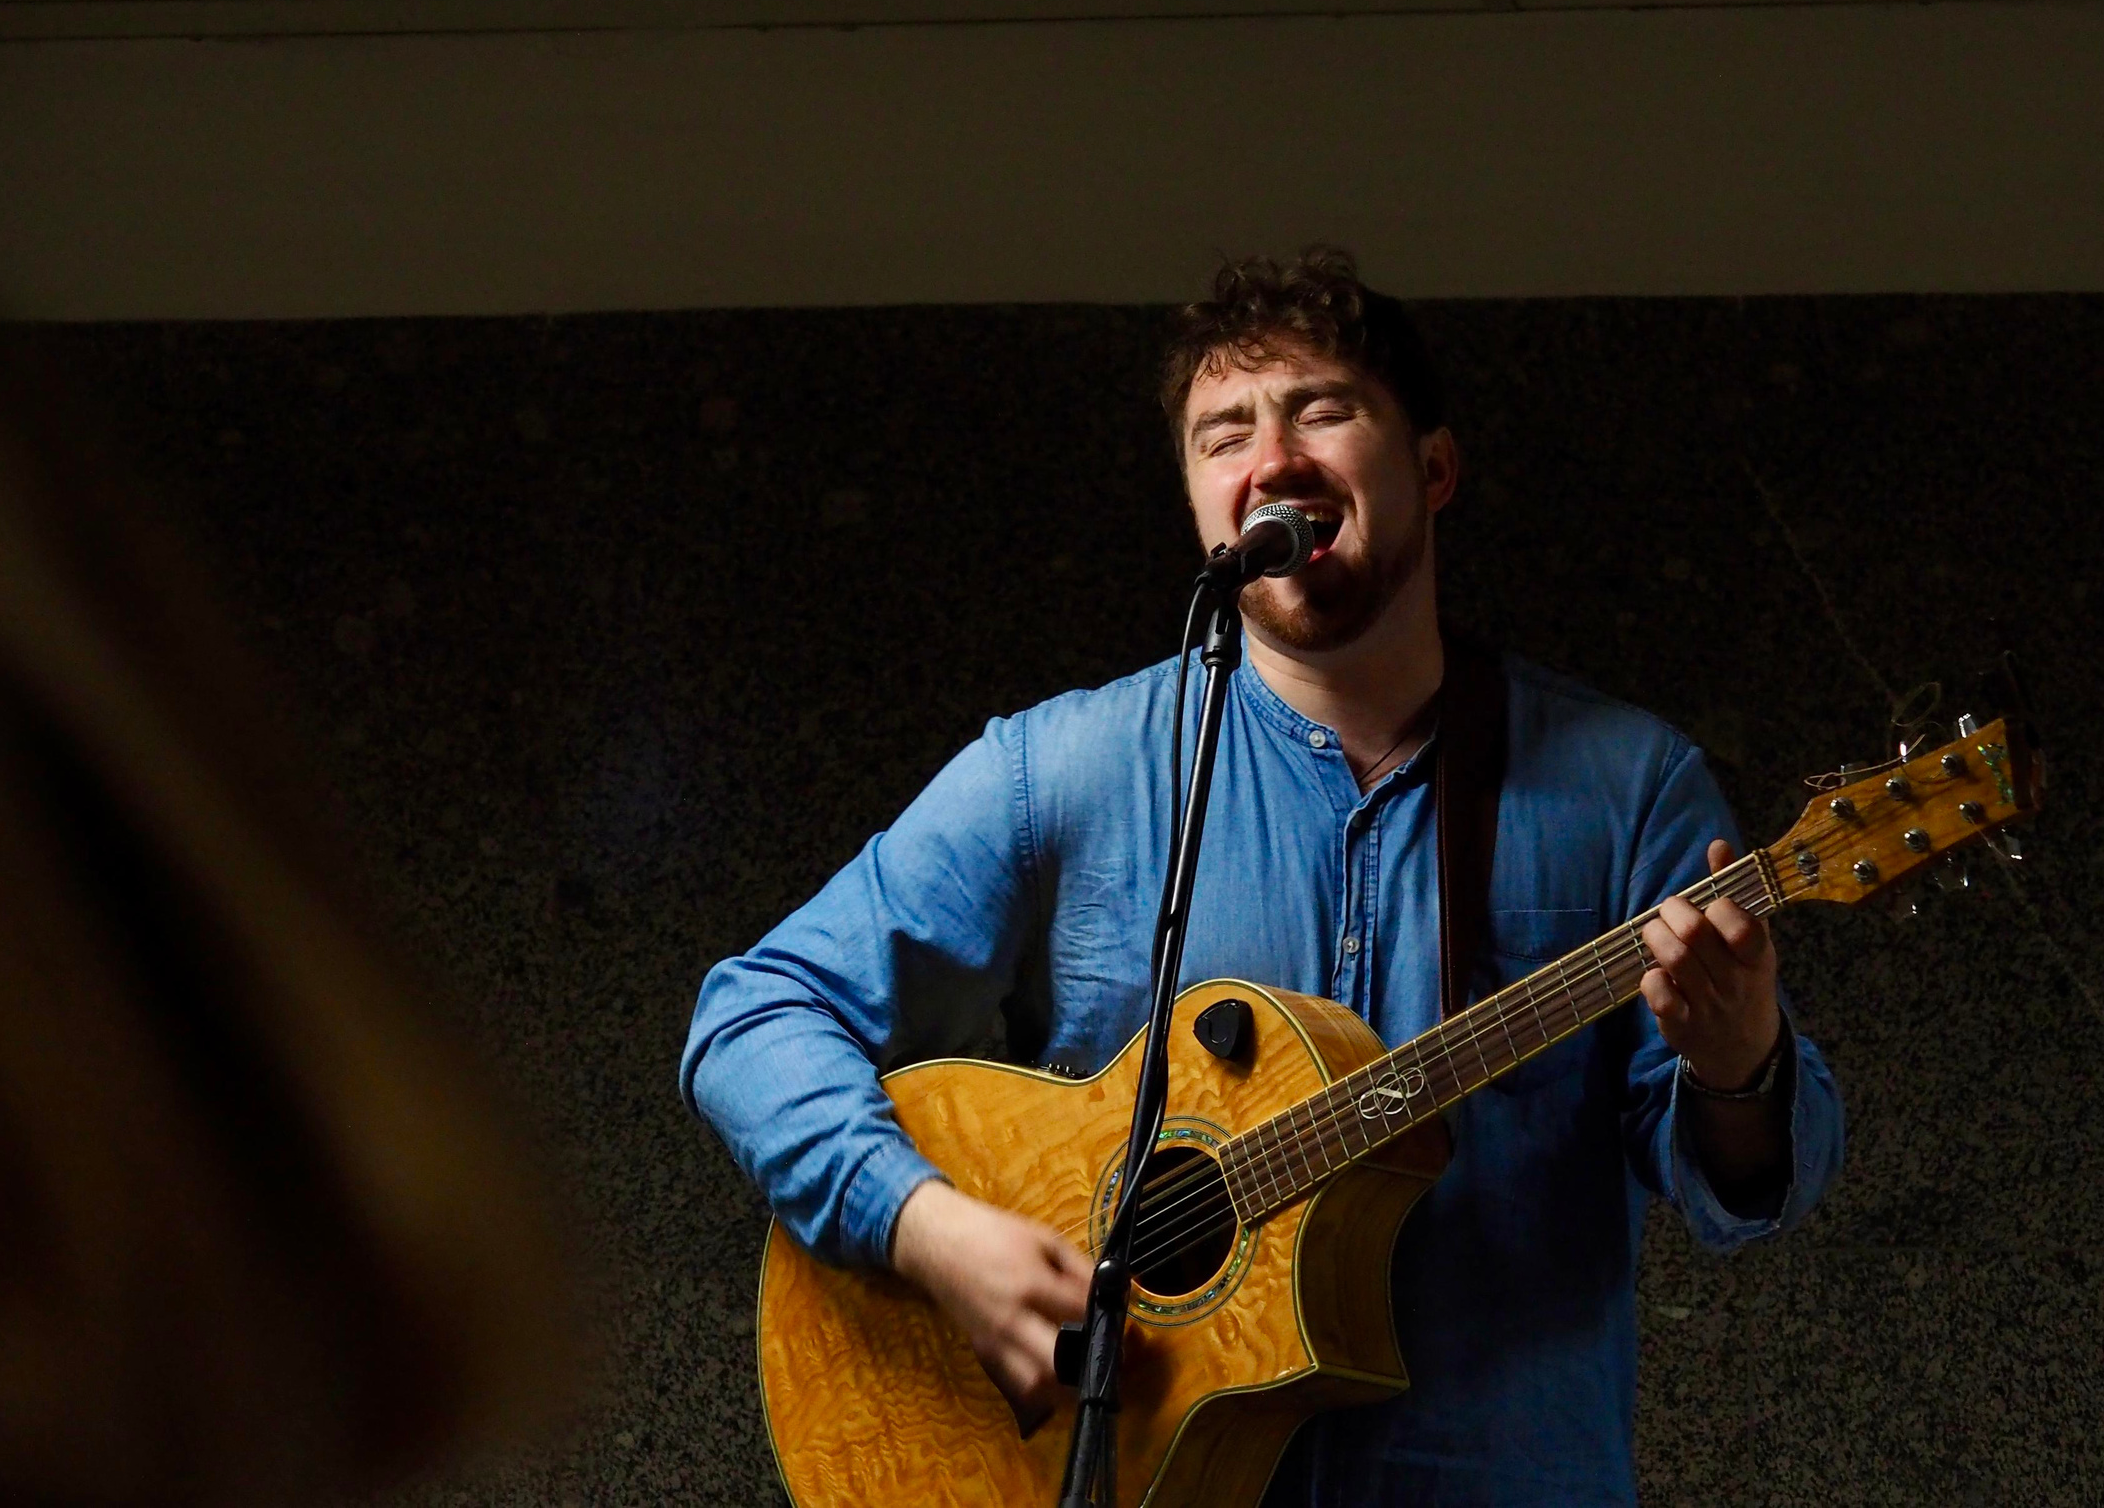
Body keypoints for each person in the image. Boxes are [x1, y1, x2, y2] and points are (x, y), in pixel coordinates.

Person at [681, 248, 1846, 1507]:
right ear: (1201, 507)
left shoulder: (1629, 790)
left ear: (1434, 470)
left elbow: (1748, 1188)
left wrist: (1740, 1064)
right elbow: (752, 1019)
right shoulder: (1063, 772)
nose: (1272, 458)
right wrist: (929, 1228)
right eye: (1223, 433)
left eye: (1321, 410)